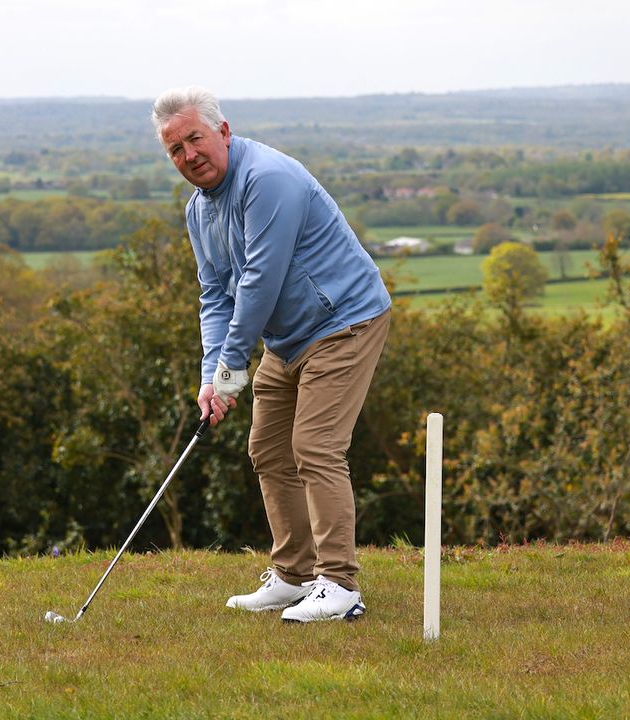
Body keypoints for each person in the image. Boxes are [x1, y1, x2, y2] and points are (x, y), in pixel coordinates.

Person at [152, 87, 392, 623]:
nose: (188, 155)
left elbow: (260, 281)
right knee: (268, 449)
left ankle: (339, 585)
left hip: (344, 319)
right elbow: (215, 293)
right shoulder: (198, 209)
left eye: (195, 138)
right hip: (286, 337)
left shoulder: (268, 180)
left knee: (315, 446)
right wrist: (212, 375)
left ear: (223, 132)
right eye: (175, 149)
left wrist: (233, 366)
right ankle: (294, 576)